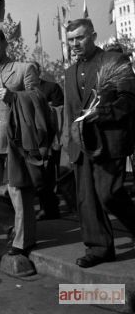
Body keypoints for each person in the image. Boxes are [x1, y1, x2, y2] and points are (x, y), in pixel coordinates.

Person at [64, 18, 135, 268]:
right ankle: (99, 248)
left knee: (109, 194)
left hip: (110, 141)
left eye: (80, 38)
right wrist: (67, 144)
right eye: (71, 39)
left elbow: (128, 100)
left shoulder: (114, 61)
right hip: (81, 145)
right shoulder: (69, 72)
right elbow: (69, 112)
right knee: (87, 200)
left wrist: (102, 113)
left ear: (93, 36)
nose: (75, 44)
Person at [0, 29, 40, 256]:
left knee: (18, 191)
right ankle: (12, 225)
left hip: (14, 139)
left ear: (5, 44)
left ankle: (24, 241)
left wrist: (14, 97)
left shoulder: (23, 69)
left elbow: (38, 101)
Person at [33, 61, 64, 220]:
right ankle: (46, 207)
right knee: (38, 178)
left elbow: (60, 111)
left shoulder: (52, 87)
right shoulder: (24, 91)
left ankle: (52, 208)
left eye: (33, 70)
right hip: (33, 141)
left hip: (51, 140)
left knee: (49, 176)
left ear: (39, 71)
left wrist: (42, 108)